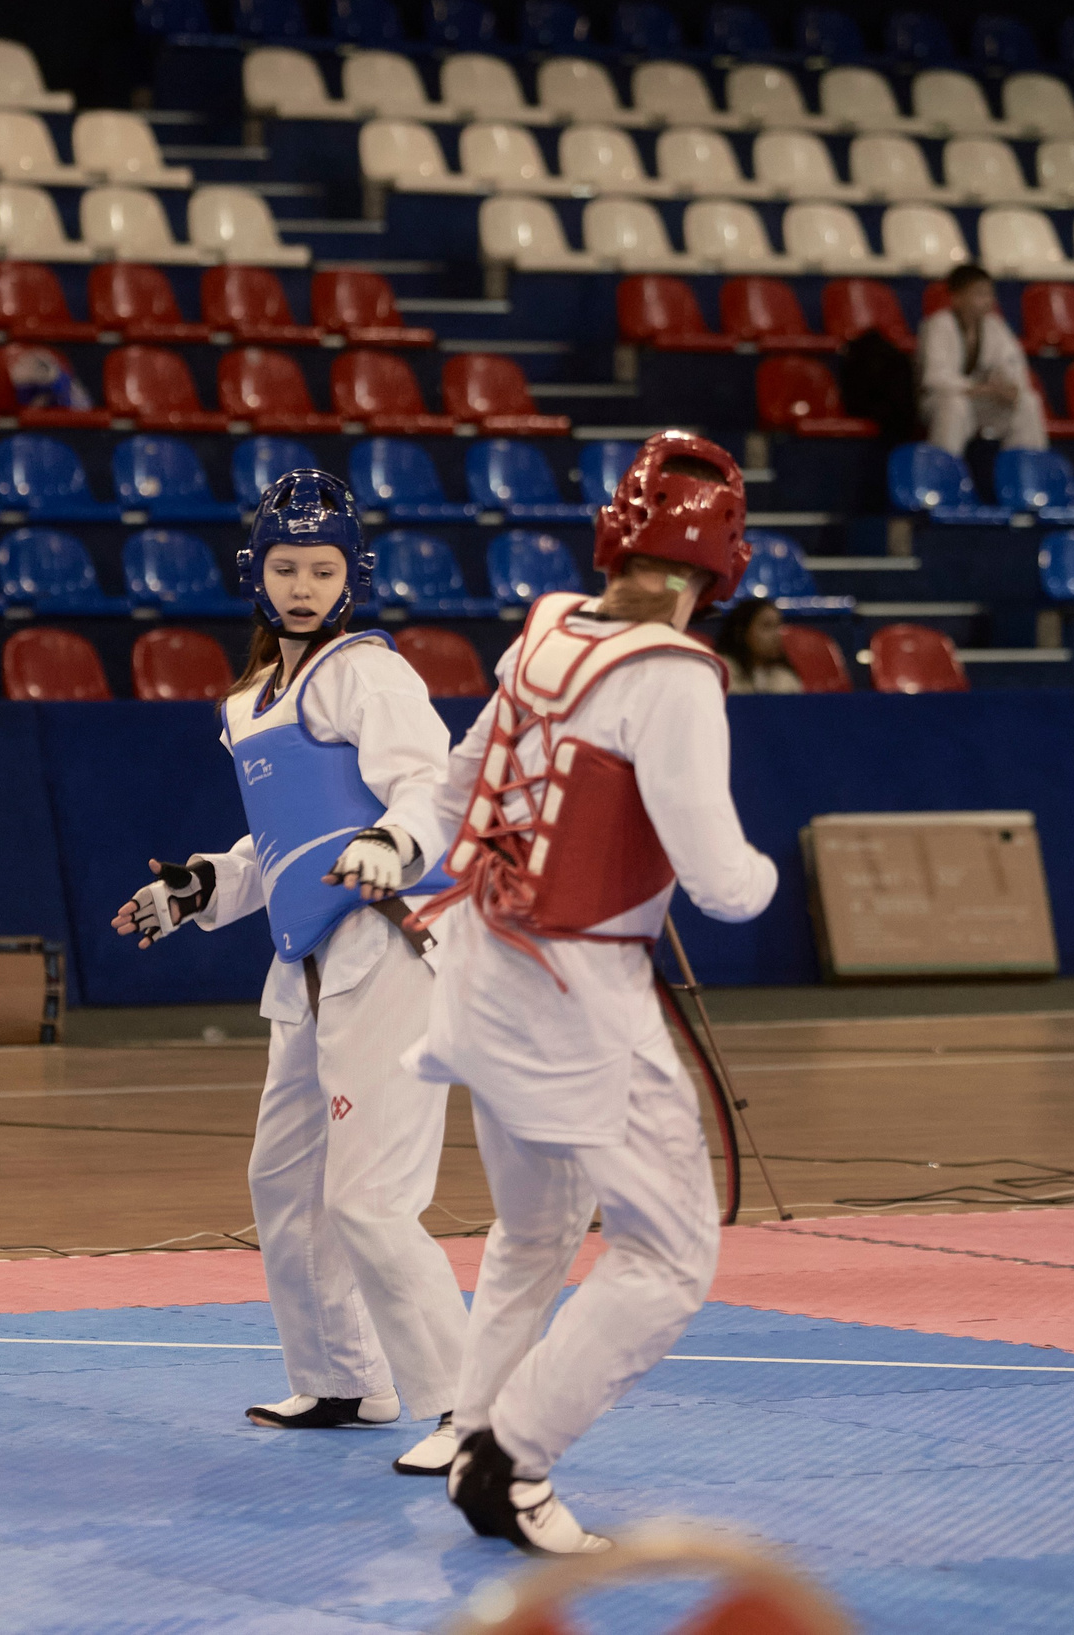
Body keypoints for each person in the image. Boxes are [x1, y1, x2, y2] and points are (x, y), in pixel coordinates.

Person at [409, 430, 780, 1555]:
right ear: (717, 571)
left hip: (479, 964)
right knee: (668, 1254)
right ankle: (507, 1456)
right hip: (579, 991)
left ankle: (475, 1428)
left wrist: (396, 848)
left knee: (532, 1228)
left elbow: (463, 779)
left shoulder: (543, 632)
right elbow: (721, 884)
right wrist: (765, 876)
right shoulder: (671, 679)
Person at [110, 469, 472, 1476]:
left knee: (367, 1198)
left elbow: (427, 787)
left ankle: (472, 1413)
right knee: (282, 1180)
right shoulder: (251, 702)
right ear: (254, 577)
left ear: (350, 577)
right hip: (306, 964)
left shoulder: (367, 671)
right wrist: (200, 887)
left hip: (386, 946)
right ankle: (346, 1379)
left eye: (321, 568)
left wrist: (394, 844)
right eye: (285, 567)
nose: (303, 585)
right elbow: (282, 840)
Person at [917, 264, 1046, 457]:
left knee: (1028, 402)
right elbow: (935, 379)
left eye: (989, 294)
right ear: (957, 297)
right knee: (955, 405)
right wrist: (980, 388)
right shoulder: (938, 325)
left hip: (981, 403)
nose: (988, 301)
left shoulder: (996, 326)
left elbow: (1013, 365)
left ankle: (1025, 471)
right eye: (979, 294)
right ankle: (944, 472)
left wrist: (1010, 387)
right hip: (939, 401)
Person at [715, 598, 802, 695]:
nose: (776, 636)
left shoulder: (785, 678)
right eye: (767, 626)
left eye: (778, 626)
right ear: (741, 632)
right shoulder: (721, 672)